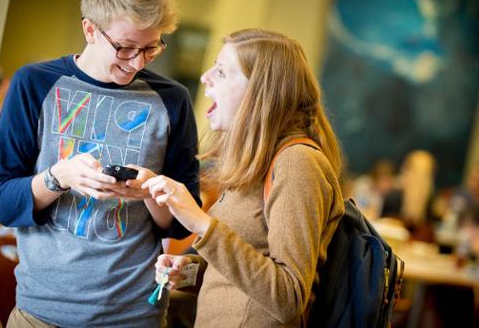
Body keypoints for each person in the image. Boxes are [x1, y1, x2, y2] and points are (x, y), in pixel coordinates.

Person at [0, 0, 200, 327]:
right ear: (90, 29)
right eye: (125, 47)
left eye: (151, 48)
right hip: (41, 313)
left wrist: (151, 191)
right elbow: (3, 203)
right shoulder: (33, 84)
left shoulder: (172, 100)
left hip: (134, 315)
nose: (136, 62)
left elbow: (181, 224)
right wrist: (58, 177)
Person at [145, 28, 345, 327]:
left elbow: (288, 297)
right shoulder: (259, 162)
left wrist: (200, 223)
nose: (205, 77)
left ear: (260, 91)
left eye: (222, 72)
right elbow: (245, 278)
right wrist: (186, 273)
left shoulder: (297, 163)